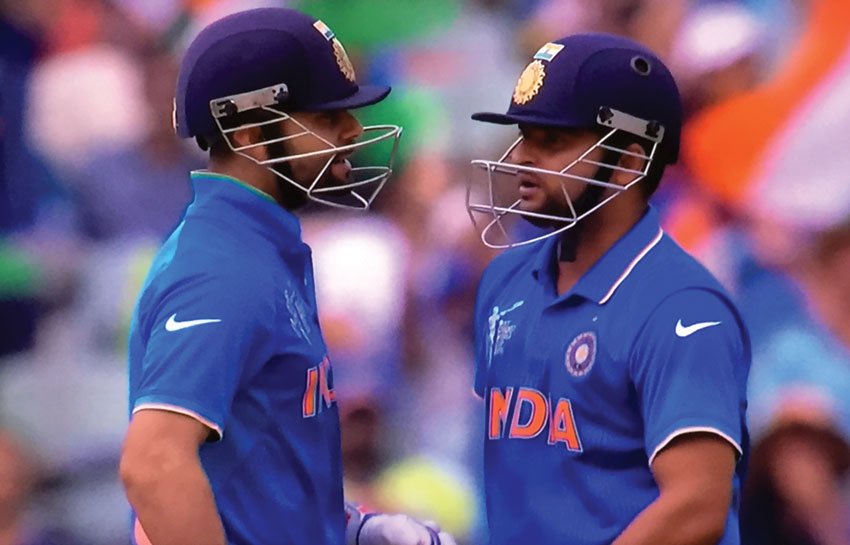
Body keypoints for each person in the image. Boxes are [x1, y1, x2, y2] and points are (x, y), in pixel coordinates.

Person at [118, 8, 453, 545]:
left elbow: (260, 463)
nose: (354, 131)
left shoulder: (259, 249)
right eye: (325, 118)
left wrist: (350, 526)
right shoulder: (221, 268)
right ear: (250, 134)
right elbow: (154, 465)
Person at [466, 34, 750, 545]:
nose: (523, 157)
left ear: (629, 163)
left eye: (552, 141)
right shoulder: (503, 279)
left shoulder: (683, 309)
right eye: (524, 136)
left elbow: (697, 507)